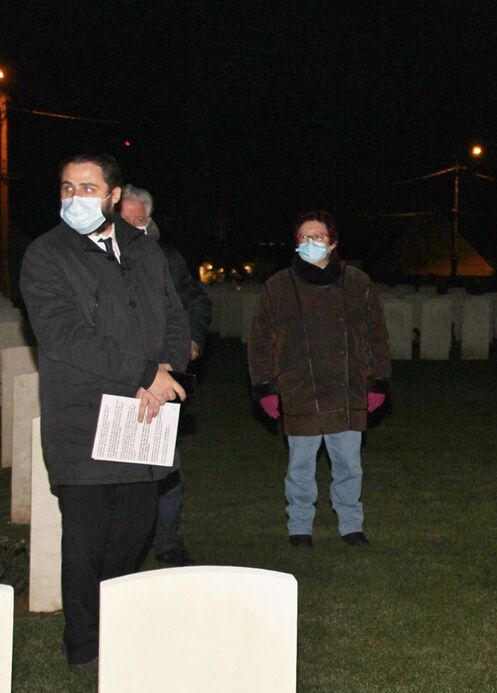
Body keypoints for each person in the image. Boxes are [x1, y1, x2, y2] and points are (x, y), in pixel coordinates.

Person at [20, 154, 189, 671]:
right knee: (87, 543)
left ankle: (118, 630)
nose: (75, 197)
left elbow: (175, 318)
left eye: (88, 188)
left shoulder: (145, 251)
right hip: (84, 420)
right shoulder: (45, 256)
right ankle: (84, 648)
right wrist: (145, 373)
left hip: (142, 417)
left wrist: (165, 372)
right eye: (67, 187)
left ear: (114, 196)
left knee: (133, 535)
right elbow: (66, 337)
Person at [247, 211, 390, 548]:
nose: (312, 243)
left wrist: (378, 381)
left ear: (333, 242)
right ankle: (300, 526)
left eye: (319, 237)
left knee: (349, 466)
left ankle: (351, 524)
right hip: (298, 390)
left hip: (348, 389)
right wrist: (266, 387)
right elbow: (260, 340)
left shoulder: (357, 282)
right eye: (304, 238)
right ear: (296, 245)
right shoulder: (279, 286)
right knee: (299, 467)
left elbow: (377, 336)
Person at [120, 184, 212, 566]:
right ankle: (123, 548)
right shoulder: (95, 259)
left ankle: (167, 542)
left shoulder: (167, 259)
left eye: (138, 222)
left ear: (150, 222)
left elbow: (194, 303)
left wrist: (190, 342)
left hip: (161, 378)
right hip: (115, 379)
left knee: (165, 469)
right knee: (118, 475)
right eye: (123, 221)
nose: (131, 229)